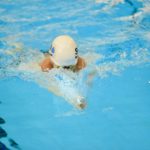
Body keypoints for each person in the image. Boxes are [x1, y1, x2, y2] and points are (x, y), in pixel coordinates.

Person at [40, 35, 86, 109]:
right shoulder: (46, 65)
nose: (66, 69)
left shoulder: (80, 63)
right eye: (61, 67)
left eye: (70, 66)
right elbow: (51, 85)